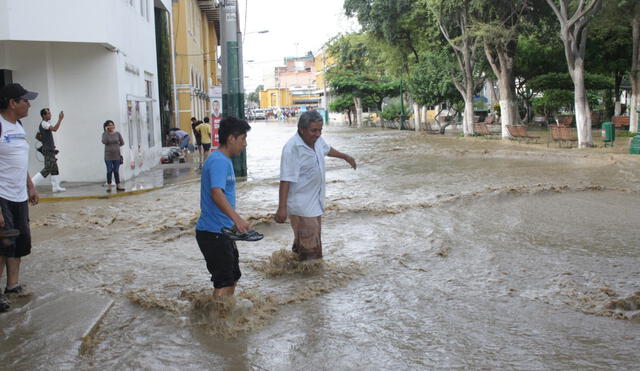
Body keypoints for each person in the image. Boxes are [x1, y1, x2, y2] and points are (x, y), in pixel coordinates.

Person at [275, 110, 356, 261]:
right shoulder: (292, 148)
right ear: (301, 129)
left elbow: (327, 149)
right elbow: (285, 179)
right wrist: (282, 208)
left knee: (306, 248)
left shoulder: (317, 140)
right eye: (314, 130)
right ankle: (310, 282)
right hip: (302, 207)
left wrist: (345, 157)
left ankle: (293, 276)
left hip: (315, 204)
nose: (318, 134)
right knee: (311, 255)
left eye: (320, 130)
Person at [195, 116, 252, 297]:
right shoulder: (219, 161)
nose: (245, 144)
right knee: (224, 282)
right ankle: (215, 322)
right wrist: (238, 219)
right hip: (213, 234)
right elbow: (216, 193)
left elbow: (221, 196)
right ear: (231, 139)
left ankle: (224, 318)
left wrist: (232, 222)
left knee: (232, 277)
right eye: (243, 139)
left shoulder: (222, 159)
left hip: (222, 231)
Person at [0, 83, 40, 312]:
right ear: (12, 103)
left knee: (19, 242)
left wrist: (30, 185)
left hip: (18, 195)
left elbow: (19, 161)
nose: (29, 104)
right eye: (25, 100)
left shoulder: (19, 125)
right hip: (2, 195)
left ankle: (12, 286)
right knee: (3, 244)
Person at [31, 108, 66, 192]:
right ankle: (31, 184)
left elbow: (37, 136)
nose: (50, 115)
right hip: (48, 150)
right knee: (47, 168)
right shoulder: (44, 123)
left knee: (54, 168)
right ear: (44, 115)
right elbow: (55, 129)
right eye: (48, 114)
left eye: (50, 113)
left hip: (50, 149)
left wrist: (45, 141)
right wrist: (60, 119)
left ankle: (55, 187)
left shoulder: (44, 124)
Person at [101, 120, 125, 192]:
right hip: (108, 155)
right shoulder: (105, 134)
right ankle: (109, 186)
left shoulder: (117, 134)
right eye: (109, 125)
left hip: (117, 155)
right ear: (107, 127)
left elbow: (122, 143)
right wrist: (106, 132)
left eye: (112, 125)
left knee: (116, 171)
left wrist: (116, 146)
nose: (111, 126)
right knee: (109, 170)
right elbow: (104, 142)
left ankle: (118, 185)